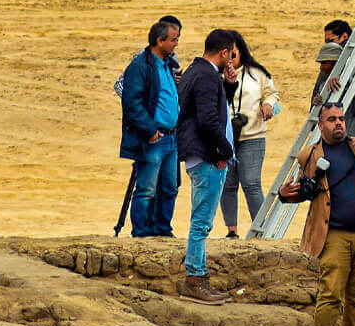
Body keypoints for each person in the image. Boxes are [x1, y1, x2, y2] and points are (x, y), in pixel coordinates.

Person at [279, 103, 355, 326]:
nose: (338, 123)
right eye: (332, 119)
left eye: (341, 119)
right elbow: (306, 192)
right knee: (331, 294)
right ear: (320, 125)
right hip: (334, 235)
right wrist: (285, 196)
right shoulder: (310, 155)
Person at [176, 29, 238, 304]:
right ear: (224, 53)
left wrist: (227, 85)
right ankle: (195, 279)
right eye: (231, 54)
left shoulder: (196, 71)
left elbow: (206, 109)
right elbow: (208, 120)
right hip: (207, 156)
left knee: (200, 220)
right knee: (201, 222)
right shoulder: (204, 76)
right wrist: (224, 150)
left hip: (198, 153)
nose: (233, 59)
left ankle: (197, 277)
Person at [118, 20, 182, 238]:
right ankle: (142, 234)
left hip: (171, 138)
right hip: (154, 138)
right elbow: (131, 102)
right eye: (173, 39)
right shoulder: (141, 66)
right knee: (146, 189)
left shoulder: (168, 65)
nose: (176, 44)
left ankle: (162, 230)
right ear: (159, 40)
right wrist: (149, 129)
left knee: (169, 188)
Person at [220, 30, 280, 238]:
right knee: (227, 184)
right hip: (225, 137)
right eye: (227, 54)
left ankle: (261, 230)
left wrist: (268, 104)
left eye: (233, 54)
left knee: (251, 182)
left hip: (252, 135)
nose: (230, 59)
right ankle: (232, 230)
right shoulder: (215, 73)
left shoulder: (257, 73)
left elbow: (272, 93)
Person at [312, 41, 355, 137]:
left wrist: (346, 79)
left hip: (354, 139)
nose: (322, 67)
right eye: (321, 63)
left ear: (337, 63)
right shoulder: (324, 86)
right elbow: (322, 118)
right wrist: (318, 105)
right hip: (332, 141)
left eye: (325, 62)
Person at [114, 14, 183, 98]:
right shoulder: (142, 58)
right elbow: (120, 85)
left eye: (177, 37)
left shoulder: (172, 57)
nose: (176, 43)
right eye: (173, 38)